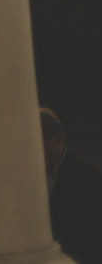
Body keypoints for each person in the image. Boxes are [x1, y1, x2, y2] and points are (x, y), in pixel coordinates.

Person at [41, 107, 102, 263]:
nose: (39, 155)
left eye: (44, 148)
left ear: (60, 139)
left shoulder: (89, 180)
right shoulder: (23, 174)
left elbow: (91, 239)